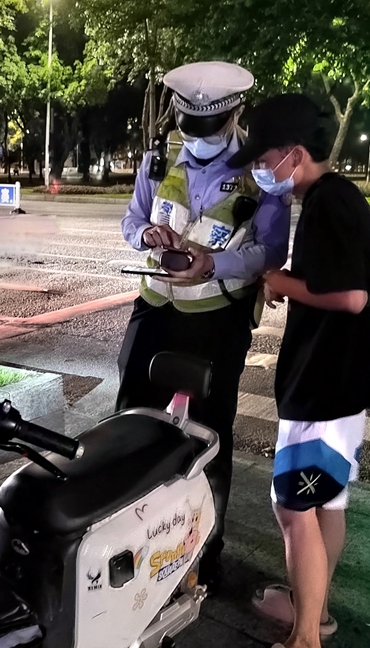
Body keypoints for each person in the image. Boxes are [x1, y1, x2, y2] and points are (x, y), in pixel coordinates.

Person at [226, 94, 370, 648]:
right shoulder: (332, 198)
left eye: (264, 158)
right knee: (326, 506)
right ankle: (311, 610)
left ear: (294, 155)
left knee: (294, 508)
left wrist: (280, 282)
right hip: (338, 384)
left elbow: (350, 296)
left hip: (325, 386)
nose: (260, 170)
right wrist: (292, 283)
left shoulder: (329, 202)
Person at [118, 61, 291, 588]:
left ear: (235, 115)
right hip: (155, 306)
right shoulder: (159, 157)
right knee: (130, 422)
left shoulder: (262, 171)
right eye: (189, 126)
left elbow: (272, 251)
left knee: (210, 434)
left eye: (209, 127)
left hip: (218, 316)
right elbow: (131, 219)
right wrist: (147, 235)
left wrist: (213, 264)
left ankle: (203, 553)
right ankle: (128, 539)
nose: (197, 137)